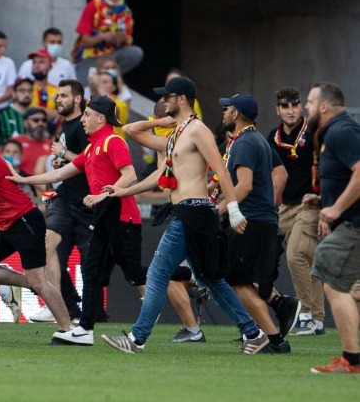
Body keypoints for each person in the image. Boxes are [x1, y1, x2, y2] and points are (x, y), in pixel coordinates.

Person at [89, 76, 269, 354]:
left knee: (159, 271)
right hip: (189, 212)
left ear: (181, 99)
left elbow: (220, 171)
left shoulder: (198, 130)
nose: (162, 101)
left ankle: (137, 339)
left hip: (193, 212)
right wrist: (120, 192)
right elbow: (137, 140)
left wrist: (233, 209)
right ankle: (253, 333)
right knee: (209, 278)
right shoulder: (178, 133)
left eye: (167, 97)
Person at [10, 95, 147, 346]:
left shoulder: (112, 141)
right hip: (104, 217)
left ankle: (179, 274)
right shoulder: (93, 146)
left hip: (121, 217)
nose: (82, 119)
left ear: (100, 118)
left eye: (87, 115)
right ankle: (84, 329)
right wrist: (23, 180)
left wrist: (101, 195)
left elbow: (130, 175)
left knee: (133, 273)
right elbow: (62, 172)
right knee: (91, 271)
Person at [0, 117, 77, 344]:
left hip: (24, 221)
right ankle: (11, 290)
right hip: (5, 224)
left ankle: (68, 329)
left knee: (38, 280)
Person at [218, 93, 299, 353]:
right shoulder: (259, 140)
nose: (224, 112)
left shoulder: (243, 143)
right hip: (263, 219)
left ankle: (273, 340)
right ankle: (274, 317)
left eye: (227, 108)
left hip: (249, 220)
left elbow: (244, 186)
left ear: (236, 114)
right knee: (246, 280)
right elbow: (279, 173)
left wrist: (218, 210)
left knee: (239, 282)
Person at [305, 83, 360, 373]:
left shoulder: (341, 132)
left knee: (326, 264)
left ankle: (352, 361)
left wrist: (337, 208)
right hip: (350, 222)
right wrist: (323, 200)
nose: (306, 107)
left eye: (310, 102)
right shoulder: (333, 133)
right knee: (347, 286)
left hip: (355, 224)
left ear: (324, 107)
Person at [30, 79, 93, 324]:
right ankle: (56, 305)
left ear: (77, 99)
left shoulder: (82, 126)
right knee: (47, 246)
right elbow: (70, 165)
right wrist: (63, 162)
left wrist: (64, 155)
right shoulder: (65, 125)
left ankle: (87, 315)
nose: (59, 100)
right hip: (65, 199)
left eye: (64, 96)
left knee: (93, 266)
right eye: (58, 96)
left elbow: (91, 162)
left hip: (88, 203)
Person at [266, 88, 325, 336]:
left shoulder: (313, 133)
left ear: (301, 107)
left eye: (294, 105)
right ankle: (319, 319)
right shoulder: (273, 137)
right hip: (285, 207)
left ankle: (306, 313)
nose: (290, 110)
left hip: (310, 205)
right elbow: (270, 175)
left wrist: (326, 202)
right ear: (277, 110)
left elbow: (327, 165)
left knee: (296, 256)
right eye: (284, 106)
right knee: (306, 261)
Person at [73, 0, 144, 82]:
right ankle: (100, 78)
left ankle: (110, 79)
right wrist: (103, 37)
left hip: (112, 56)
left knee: (136, 52)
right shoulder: (93, 6)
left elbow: (128, 42)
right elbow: (84, 42)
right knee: (82, 87)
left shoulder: (125, 11)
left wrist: (121, 39)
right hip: (92, 57)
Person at [0, 78, 33, 150]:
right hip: (6, 159)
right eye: (22, 90)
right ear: (14, 93)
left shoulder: (38, 115)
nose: (27, 94)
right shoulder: (2, 114)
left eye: (30, 90)